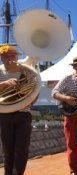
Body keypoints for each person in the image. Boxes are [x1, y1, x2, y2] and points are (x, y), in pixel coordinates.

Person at [0, 45, 33, 175]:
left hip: (23, 113)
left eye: (12, 56)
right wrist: (5, 84)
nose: (9, 59)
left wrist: (32, 99)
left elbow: (33, 90)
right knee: (7, 150)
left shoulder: (26, 71)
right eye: (6, 56)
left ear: (17, 57)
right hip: (4, 114)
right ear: (1, 58)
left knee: (22, 149)